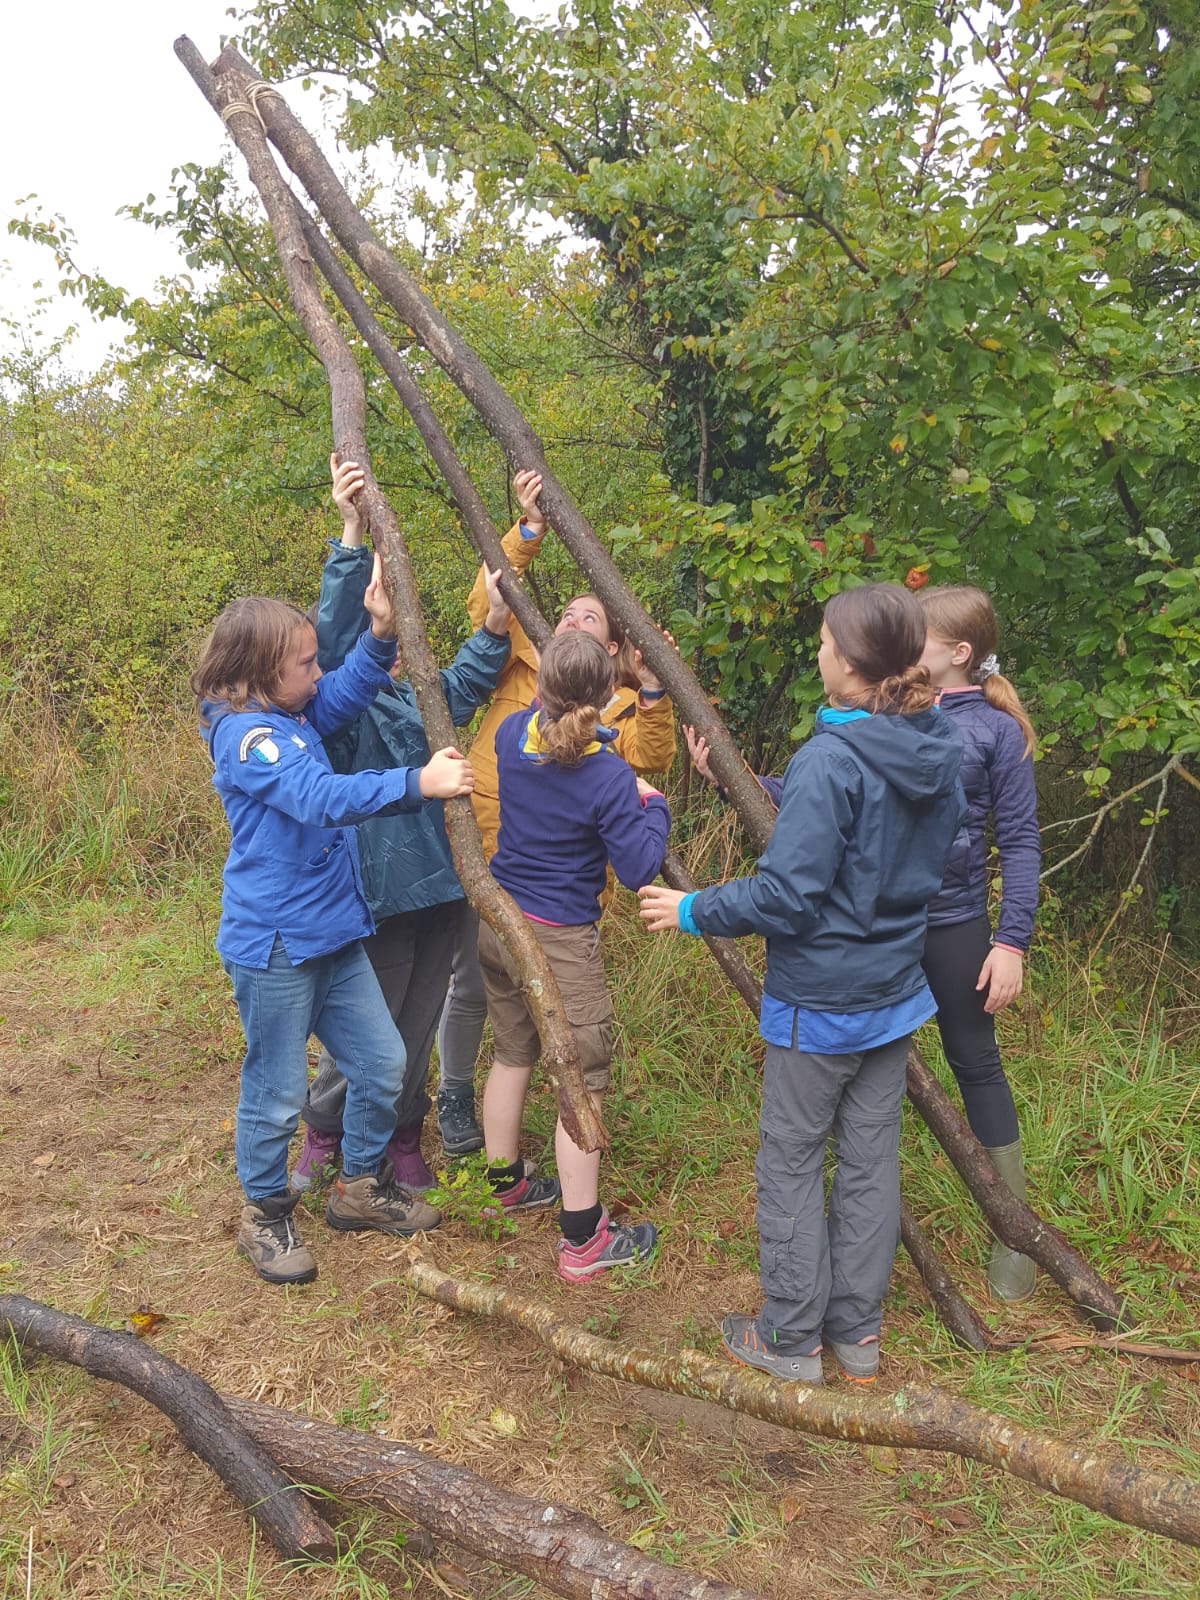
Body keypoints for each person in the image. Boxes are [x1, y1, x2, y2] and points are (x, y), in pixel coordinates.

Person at [640, 585, 964, 1384]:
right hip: (892, 993)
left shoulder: (831, 758)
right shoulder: (934, 741)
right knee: (869, 1161)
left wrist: (693, 909)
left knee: (789, 1161)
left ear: (851, 664)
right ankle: (857, 1335)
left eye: (824, 641)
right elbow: (870, 837)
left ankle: (788, 1338)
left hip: (821, 1002)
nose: (817, 652)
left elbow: (789, 895)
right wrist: (739, 784)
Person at [193, 561, 472, 1285]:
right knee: (277, 1091)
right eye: (306, 663)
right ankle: (264, 1214)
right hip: (278, 946)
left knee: (381, 1065)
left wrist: (377, 638)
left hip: (334, 934)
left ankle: (357, 1187)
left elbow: (344, 693)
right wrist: (419, 782)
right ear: (261, 673)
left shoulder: (288, 716)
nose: (318, 674)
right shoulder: (250, 741)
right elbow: (319, 796)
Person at [435, 468, 677, 1154]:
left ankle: (505, 1153)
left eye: (589, 617)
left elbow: (650, 753)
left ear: (610, 651)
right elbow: (488, 596)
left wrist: (652, 690)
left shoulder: (612, 709)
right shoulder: (525, 660)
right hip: (482, 844)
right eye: (567, 611)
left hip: (553, 887)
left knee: (520, 1002)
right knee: (471, 983)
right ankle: (455, 1093)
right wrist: (529, 529)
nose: (570, 619)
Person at [289, 456, 514, 1194]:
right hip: (381, 893)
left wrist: (495, 622)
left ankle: (402, 1134)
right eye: (374, 639)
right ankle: (326, 1131)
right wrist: (351, 536)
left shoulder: (416, 694)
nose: (384, 650)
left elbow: (465, 682)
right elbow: (329, 637)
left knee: (418, 1021)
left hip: (445, 882)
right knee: (368, 1026)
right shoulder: (337, 715)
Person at [478, 630, 670, 1280]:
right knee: (582, 1081)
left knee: (512, 1053)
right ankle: (583, 1239)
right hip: (558, 939)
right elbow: (640, 866)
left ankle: (503, 1182)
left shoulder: (512, 735)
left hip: (500, 923)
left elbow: (558, 751)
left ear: (539, 688)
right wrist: (654, 807)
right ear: (609, 695)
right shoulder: (608, 777)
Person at [917, 584, 1040, 1300]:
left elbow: (1020, 843)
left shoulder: (996, 732)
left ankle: (1014, 1232)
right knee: (868, 1060)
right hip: (879, 923)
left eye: (920, 636)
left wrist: (1011, 942)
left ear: (958, 652)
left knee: (975, 1061)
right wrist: (745, 780)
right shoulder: (890, 712)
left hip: (955, 922)